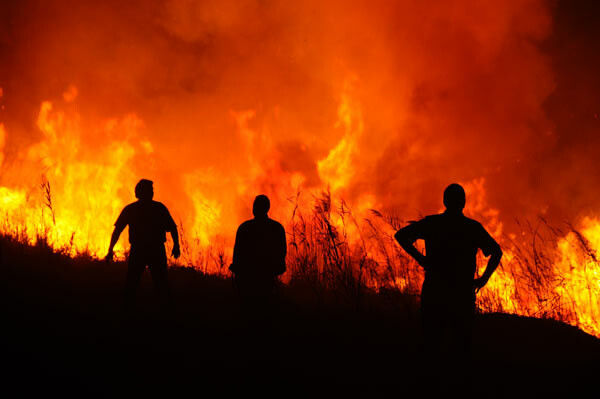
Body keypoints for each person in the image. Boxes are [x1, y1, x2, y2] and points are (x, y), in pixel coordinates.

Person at [395, 183, 502, 361]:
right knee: (461, 346)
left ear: (445, 201)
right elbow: (496, 251)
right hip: (461, 295)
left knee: (431, 344)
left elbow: (401, 235)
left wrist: (421, 259)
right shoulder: (472, 228)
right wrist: (483, 279)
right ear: (463, 203)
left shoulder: (432, 224)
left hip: (434, 292)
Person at [105, 179, 180, 313]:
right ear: (139, 193)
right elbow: (117, 230)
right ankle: (133, 311)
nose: (151, 193)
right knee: (136, 283)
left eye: (151, 191)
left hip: (152, 250)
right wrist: (110, 249)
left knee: (158, 283)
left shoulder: (153, 208)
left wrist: (177, 245)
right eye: (148, 191)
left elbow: (173, 228)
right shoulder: (146, 209)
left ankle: (163, 312)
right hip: (143, 250)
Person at [230, 195, 286, 324]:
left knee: (247, 310)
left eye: (255, 205)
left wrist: (237, 271)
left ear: (255, 208)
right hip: (267, 276)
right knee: (264, 308)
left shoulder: (245, 227)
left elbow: (237, 253)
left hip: (247, 277)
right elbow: (282, 252)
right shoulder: (277, 228)